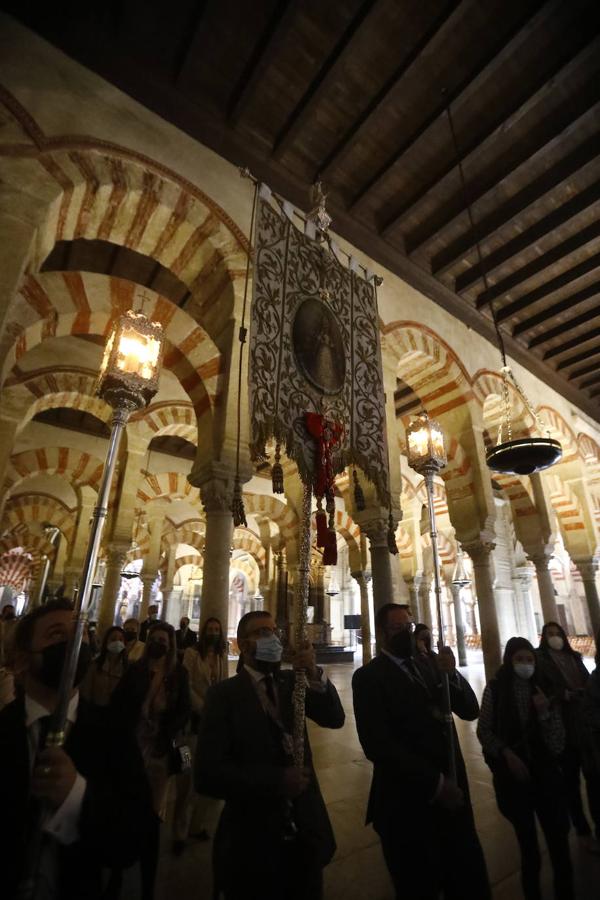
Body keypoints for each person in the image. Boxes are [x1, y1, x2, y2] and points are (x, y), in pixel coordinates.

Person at [0, 599, 154, 900]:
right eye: (57, 634)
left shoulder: (114, 733)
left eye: (80, 634)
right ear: (21, 659)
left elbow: (134, 839)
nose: (73, 643)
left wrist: (76, 796)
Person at [196, 610, 345, 900]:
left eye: (274, 632)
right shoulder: (223, 695)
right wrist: (275, 781)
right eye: (262, 633)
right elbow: (206, 776)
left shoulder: (292, 682)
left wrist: (314, 673)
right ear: (242, 644)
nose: (272, 639)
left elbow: (334, 718)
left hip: (305, 829)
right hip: (252, 840)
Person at [352, 602, 490, 900]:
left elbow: (469, 710)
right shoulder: (368, 678)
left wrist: (451, 674)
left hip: (454, 793)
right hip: (408, 802)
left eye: (409, 627)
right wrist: (437, 785)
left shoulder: (430, 664)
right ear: (382, 633)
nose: (407, 633)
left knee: (468, 880)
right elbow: (378, 746)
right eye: (398, 628)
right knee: (419, 884)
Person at [477, 636, 574, 900]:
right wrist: (506, 753)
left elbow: (557, 743)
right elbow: (484, 730)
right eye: (519, 659)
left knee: (559, 845)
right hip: (515, 781)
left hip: (547, 778)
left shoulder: (544, 688)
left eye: (529, 659)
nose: (524, 664)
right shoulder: (496, 689)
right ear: (509, 661)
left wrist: (544, 714)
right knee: (528, 848)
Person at [536, 620, 600, 849]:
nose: (555, 637)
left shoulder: (575, 658)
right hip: (562, 727)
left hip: (584, 725)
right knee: (571, 781)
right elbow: (541, 689)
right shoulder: (541, 661)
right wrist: (562, 695)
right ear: (544, 638)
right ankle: (582, 830)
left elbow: (589, 681)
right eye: (550, 634)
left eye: (557, 633)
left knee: (593, 779)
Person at [172, 616, 228, 852]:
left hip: (211, 724)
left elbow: (223, 684)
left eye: (217, 629)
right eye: (211, 629)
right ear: (203, 631)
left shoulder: (222, 656)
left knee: (207, 777)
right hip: (189, 727)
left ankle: (197, 825)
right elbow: (185, 685)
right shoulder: (192, 655)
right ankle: (179, 832)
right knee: (186, 779)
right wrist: (203, 708)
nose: (214, 633)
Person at [80, 625, 128, 712]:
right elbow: (86, 693)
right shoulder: (95, 666)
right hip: (95, 712)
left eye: (121, 640)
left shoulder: (127, 668)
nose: (117, 642)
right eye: (113, 639)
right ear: (106, 642)